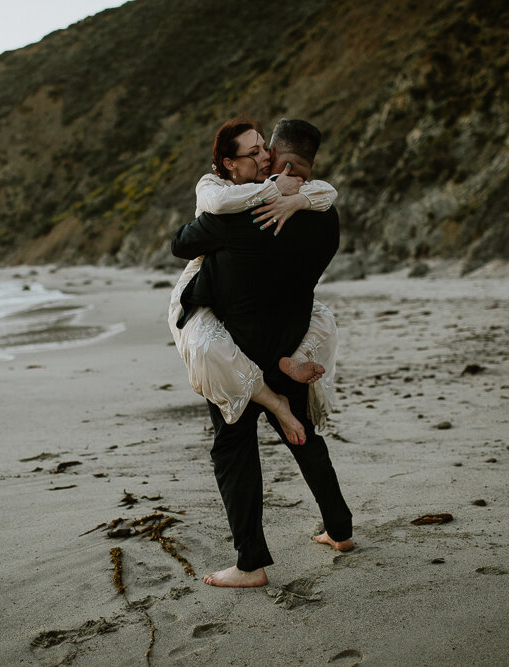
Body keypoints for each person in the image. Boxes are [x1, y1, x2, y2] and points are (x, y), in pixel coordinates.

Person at [171, 118, 353, 588]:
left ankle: (250, 565)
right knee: (304, 438)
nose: (264, 160)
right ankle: (340, 530)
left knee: (233, 451)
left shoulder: (240, 217)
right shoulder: (326, 219)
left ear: (284, 159)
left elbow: (182, 242)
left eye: (266, 151)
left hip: (238, 349)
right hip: (289, 346)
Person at [166, 118, 339, 447]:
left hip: (238, 307)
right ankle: (277, 402)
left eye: (264, 148)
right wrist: (276, 189)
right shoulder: (212, 186)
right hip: (197, 292)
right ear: (229, 164)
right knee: (208, 348)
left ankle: (294, 365)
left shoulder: (270, 197)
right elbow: (216, 207)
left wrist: (297, 199)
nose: (263, 156)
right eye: (255, 151)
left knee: (323, 320)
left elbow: (329, 190)